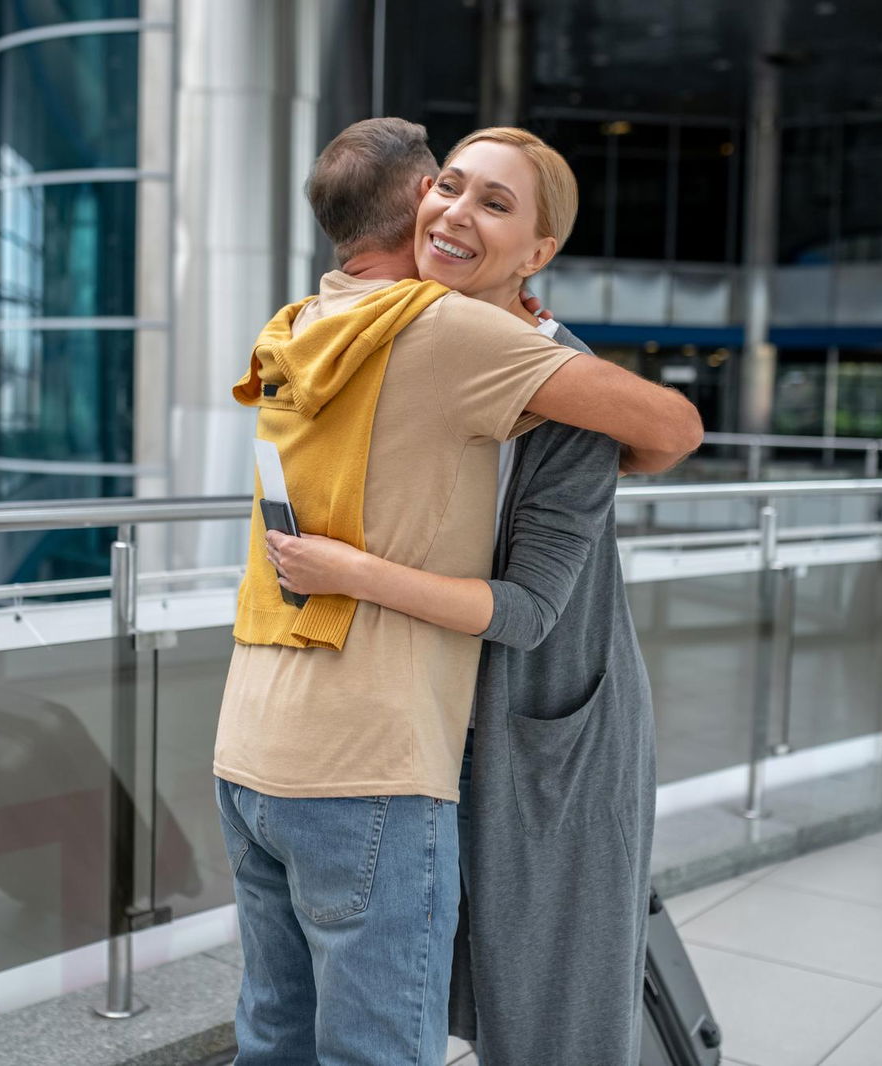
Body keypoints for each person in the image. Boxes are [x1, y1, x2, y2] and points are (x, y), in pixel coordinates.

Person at [214, 118, 700, 1065]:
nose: (456, 211)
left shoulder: (473, 348)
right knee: (374, 1023)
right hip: (399, 734)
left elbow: (663, 437)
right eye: (450, 187)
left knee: (540, 997)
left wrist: (352, 573)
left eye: (495, 202)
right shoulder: (401, 326)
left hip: (534, 719)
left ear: (540, 252)